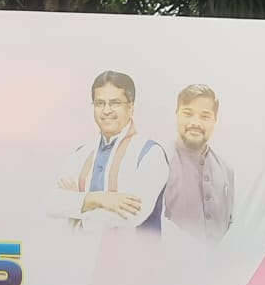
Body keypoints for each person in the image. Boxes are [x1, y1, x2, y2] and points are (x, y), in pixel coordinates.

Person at [45, 70, 169, 231]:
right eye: (99, 103)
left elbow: (132, 215)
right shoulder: (81, 153)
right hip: (80, 248)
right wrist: (99, 199)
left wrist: (76, 206)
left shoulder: (150, 153)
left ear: (131, 107)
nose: (106, 110)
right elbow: (52, 204)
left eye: (115, 103)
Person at [162, 84, 235, 242]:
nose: (195, 122)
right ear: (176, 114)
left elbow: (231, 226)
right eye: (188, 113)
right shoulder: (159, 161)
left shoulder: (226, 170)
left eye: (205, 116)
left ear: (215, 120)